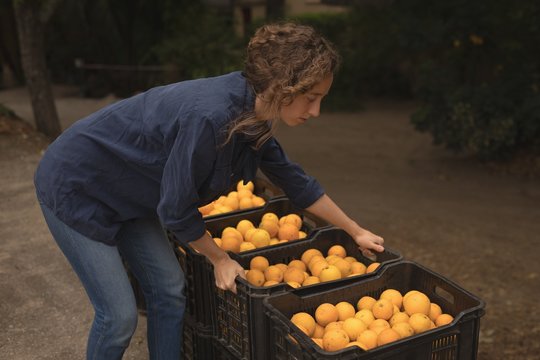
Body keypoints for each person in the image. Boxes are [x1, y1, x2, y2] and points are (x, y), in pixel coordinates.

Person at [34, 22, 384, 359]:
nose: (316, 111)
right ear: (281, 86)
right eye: (310, 98)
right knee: (118, 317)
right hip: (78, 186)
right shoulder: (211, 119)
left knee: (169, 290)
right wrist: (219, 258)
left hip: (130, 193)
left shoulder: (255, 117)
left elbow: (295, 181)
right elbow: (175, 210)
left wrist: (355, 231)